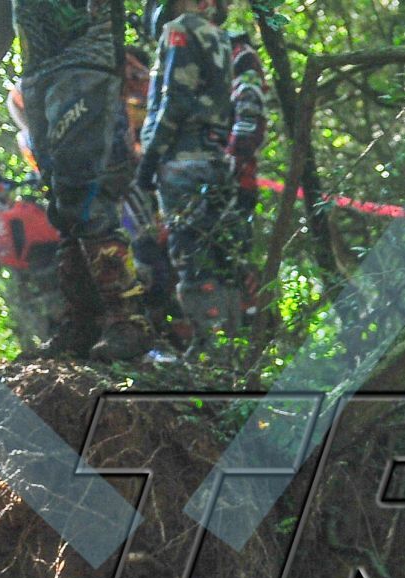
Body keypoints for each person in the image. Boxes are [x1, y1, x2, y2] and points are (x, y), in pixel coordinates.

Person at [0, 0, 153, 360]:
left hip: (85, 63)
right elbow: (4, 8)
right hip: (38, 75)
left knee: (83, 194)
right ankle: (84, 324)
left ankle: (128, 320)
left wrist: (114, 65)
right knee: (62, 204)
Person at [136, 0, 238, 351]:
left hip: (182, 158)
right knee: (219, 253)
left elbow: (175, 101)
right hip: (215, 157)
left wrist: (151, 157)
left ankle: (210, 349)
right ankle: (233, 344)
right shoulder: (219, 36)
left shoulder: (179, 29)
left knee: (191, 255)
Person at [224, 29, 268, 324]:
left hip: (237, 180)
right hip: (225, 177)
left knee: (235, 251)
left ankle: (253, 317)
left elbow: (250, 121)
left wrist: (231, 161)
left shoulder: (242, 60)